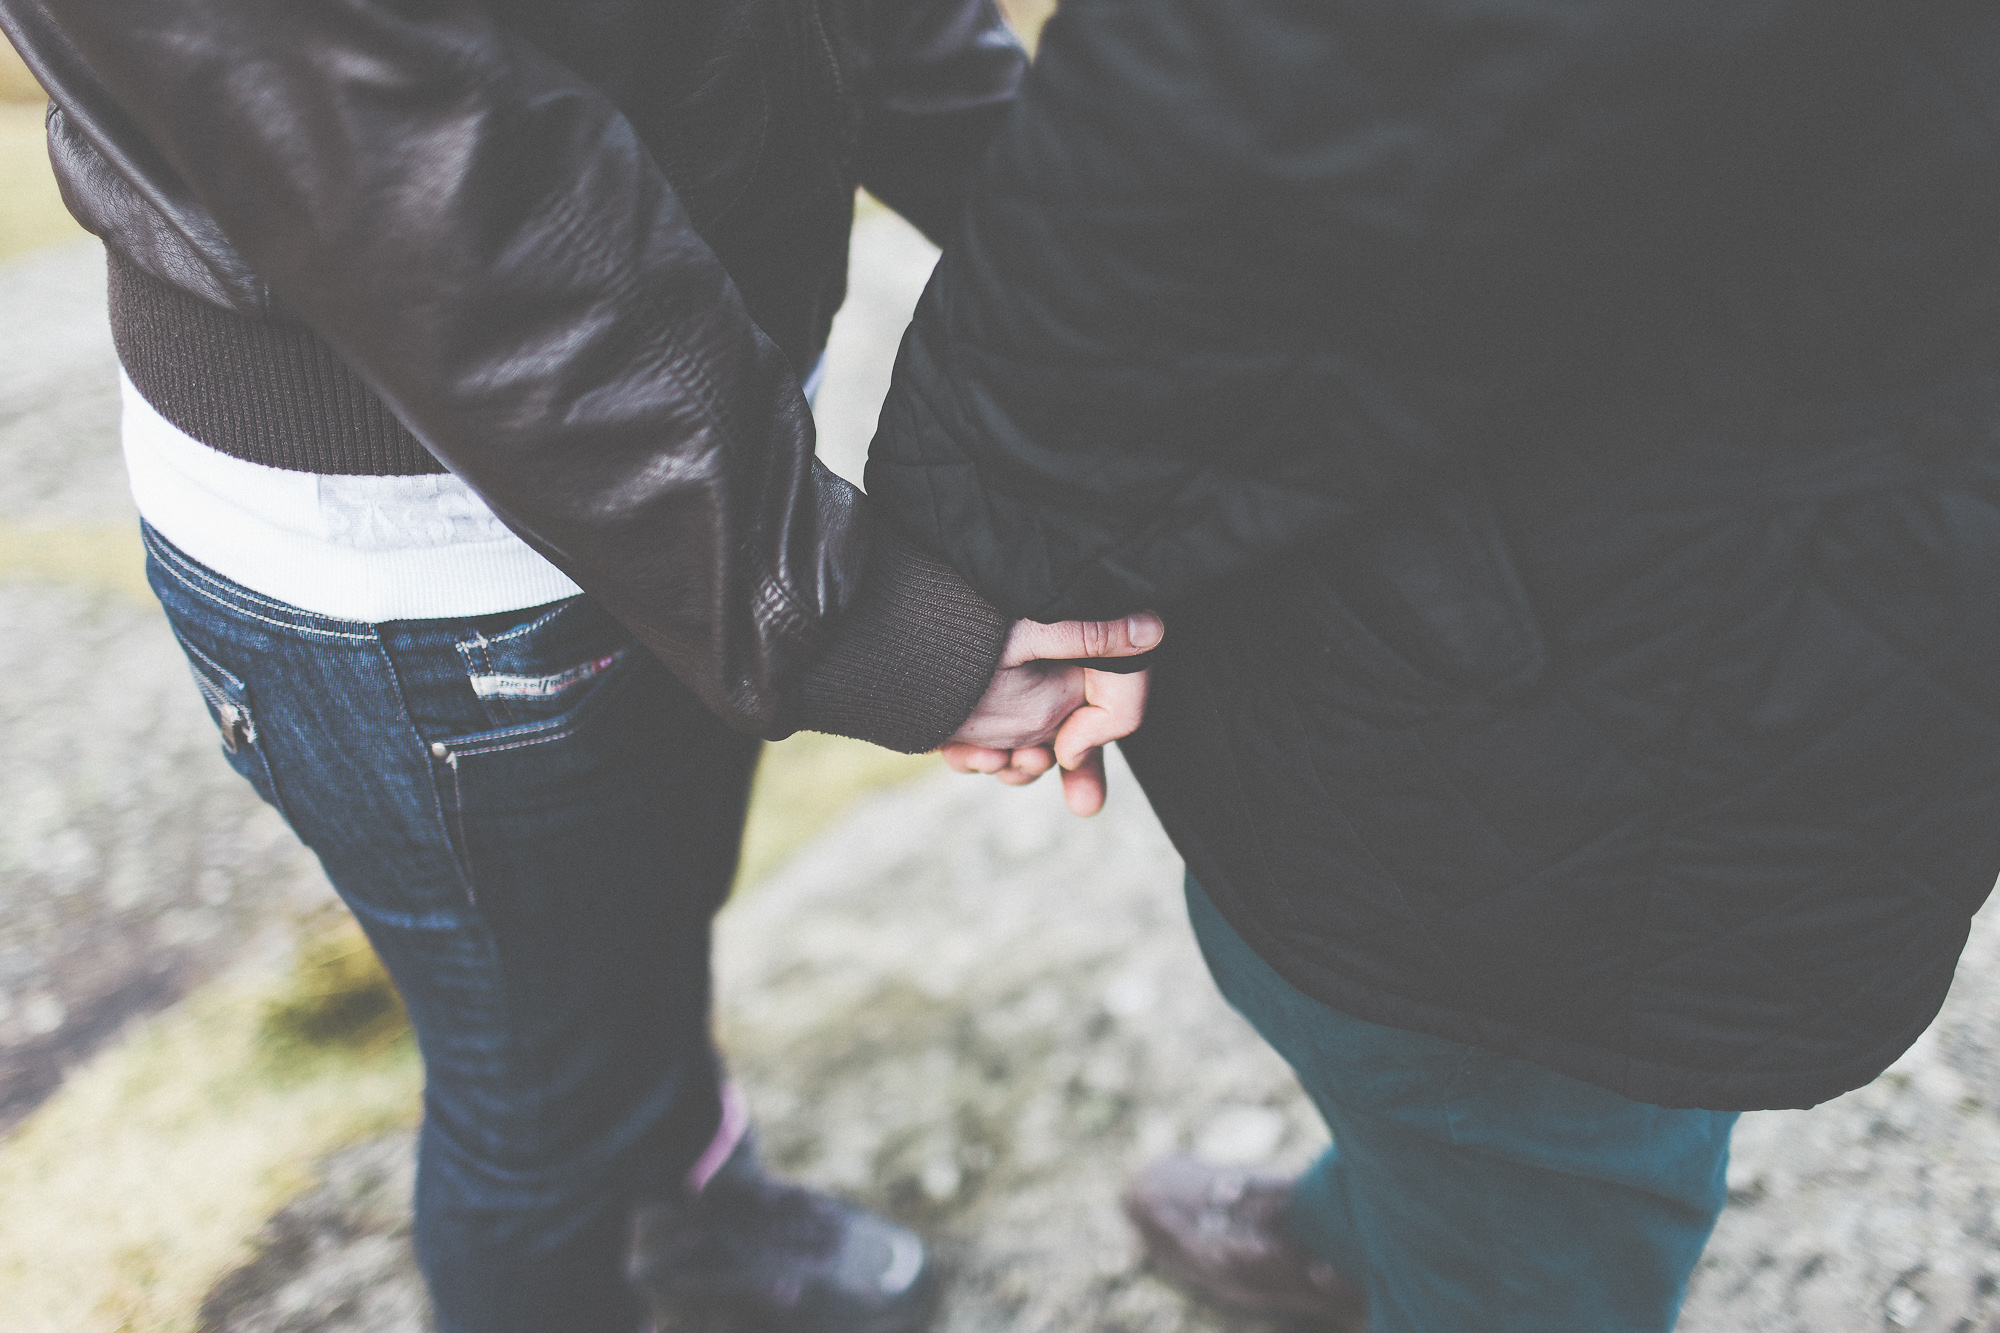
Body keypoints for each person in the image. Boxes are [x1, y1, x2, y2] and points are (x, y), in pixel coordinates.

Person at [0, 1, 1158, 1331]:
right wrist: (859, 623)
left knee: (638, 922)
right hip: (427, 564)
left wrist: (1080, 252)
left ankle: (679, 1195)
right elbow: (446, 196)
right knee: (533, 1100)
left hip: (694, 444)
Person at [879, 1, 2000, 1329]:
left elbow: (1260, 103)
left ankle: (1458, 1267)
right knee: (1465, 1074)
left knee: (1512, 1090)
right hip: (1779, 465)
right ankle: (1369, 1238)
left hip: (1668, 597)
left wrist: (995, 555)